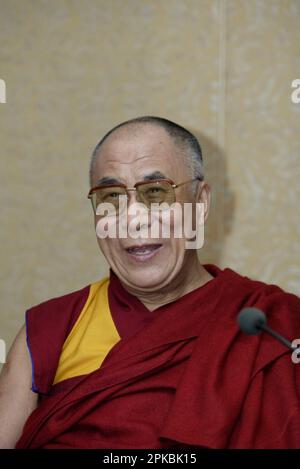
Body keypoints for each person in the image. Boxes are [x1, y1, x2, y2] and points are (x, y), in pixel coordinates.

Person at [0, 116, 300, 449]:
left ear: (200, 204)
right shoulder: (49, 329)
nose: (133, 219)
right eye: (111, 197)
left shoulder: (274, 324)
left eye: (155, 192)